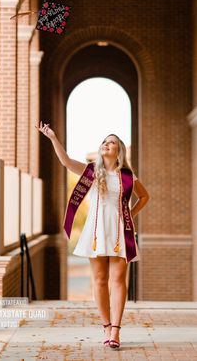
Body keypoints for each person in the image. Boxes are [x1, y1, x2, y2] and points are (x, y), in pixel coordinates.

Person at [36, 121, 149, 350]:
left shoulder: (127, 176)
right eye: (105, 142)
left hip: (119, 231)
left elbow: (144, 197)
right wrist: (53, 138)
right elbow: (66, 161)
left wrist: (130, 215)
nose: (107, 144)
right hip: (96, 232)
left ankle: (116, 330)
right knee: (99, 280)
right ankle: (106, 326)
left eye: (112, 142)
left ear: (119, 150)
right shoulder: (91, 171)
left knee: (118, 280)